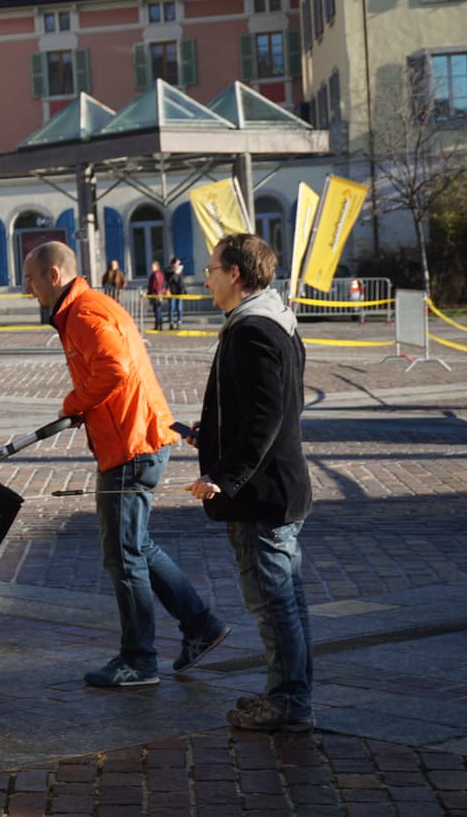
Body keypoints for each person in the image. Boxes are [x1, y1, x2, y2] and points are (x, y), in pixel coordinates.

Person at [23, 241, 228, 688]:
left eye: (31, 279)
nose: (28, 289)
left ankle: (139, 659)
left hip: (132, 445)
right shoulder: (88, 306)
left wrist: (73, 403)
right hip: (136, 438)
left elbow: (114, 368)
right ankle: (201, 625)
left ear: (53, 276)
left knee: (124, 554)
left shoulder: (82, 312)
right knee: (137, 547)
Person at [185, 233, 314, 732]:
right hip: (276, 487)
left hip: (263, 495)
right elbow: (255, 411)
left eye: (212, 268)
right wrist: (210, 437)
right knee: (287, 604)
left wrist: (224, 477)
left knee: (275, 607)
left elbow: (267, 417)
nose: (207, 277)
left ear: (235, 273)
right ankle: (288, 697)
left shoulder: (253, 329)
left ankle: (289, 705)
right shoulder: (268, 320)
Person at [147, 259, 167, 332]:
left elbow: (155, 285)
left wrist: (150, 292)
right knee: (157, 310)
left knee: (157, 310)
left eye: (153, 266)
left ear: (157, 266)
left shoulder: (156, 274)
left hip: (156, 293)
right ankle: (158, 325)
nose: (151, 268)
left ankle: (159, 324)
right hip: (158, 293)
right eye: (151, 266)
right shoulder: (159, 274)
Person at [167, 256, 187, 329]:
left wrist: (184, 290)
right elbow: (168, 281)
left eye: (179, 263)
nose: (178, 265)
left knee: (179, 308)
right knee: (171, 307)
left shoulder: (180, 270)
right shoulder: (168, 271)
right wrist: (175, 273)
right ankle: (171, 322)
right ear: (173, 263)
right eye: (177, 263)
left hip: (179, 291)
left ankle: (179, 322)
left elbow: (182, 281)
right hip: (172, 291)